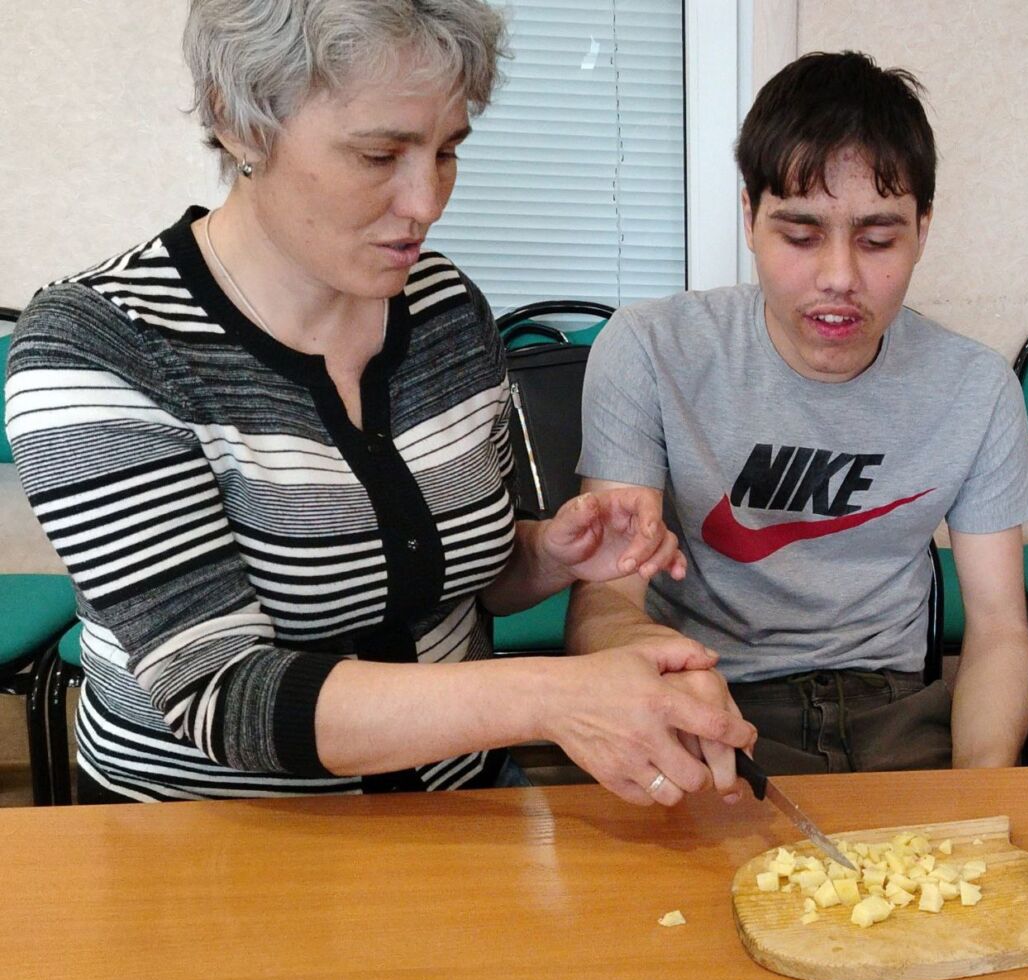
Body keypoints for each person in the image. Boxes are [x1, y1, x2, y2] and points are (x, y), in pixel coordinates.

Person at [5, 0, 754, 805]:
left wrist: (547, 555)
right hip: (210, 837)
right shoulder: (100, 343)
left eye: (447, 150)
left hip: (458, 803)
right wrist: (551, 698)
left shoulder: (442, 309)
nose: (427, 202)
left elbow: (464, 578)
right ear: (239, 123)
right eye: (379, 154)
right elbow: (222, 694)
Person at [568, 51, 1028, 777]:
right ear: (749, 217)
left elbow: (1001, 628)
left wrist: (980, 784)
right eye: (800, 235)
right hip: (712, 693)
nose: (839, 278)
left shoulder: (977, 388)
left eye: (878, 240)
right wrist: (662, 678)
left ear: (923, 229)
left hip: (895, 707)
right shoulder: (650, 350)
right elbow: (605, 599)